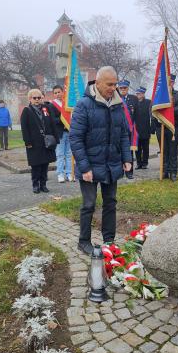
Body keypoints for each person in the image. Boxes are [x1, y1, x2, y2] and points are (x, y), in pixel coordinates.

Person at [69, 66, 131, 255]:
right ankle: (84, 241)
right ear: (97, 83)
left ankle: (109, 240)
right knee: (88, 204)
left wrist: (127, 158)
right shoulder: (83, 105)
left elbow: (123, 135)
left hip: (111, 164)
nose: (113, 88)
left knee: (110, 202)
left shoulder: (118, 104)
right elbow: (76, 138)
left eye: (115, 84)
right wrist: (85, 167)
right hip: (90, 166)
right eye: (109, 84)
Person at [20, 89, 59, 194]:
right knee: (36, 165)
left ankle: (43, 184)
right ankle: (35, 185)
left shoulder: (46, 108)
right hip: (34, 143)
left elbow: (52, 124)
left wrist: (56, 139)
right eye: (34, 98)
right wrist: (27, 142)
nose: (37, 100)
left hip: (46, 143)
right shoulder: (26, 111)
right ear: (30, 99)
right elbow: (24, 128)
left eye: (39, 97)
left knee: (45, 165)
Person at [152, 74, 178, 181]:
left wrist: (167, 114)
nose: (168, 84)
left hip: (172, 127)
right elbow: (152, 109)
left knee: (172, 150)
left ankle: (173, 172)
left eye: (170, 82)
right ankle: (165, 171)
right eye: (167, 82)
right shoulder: (158, 96)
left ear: (173, 82)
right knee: (164, 150)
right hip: (160, 127)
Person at [50, 85, 72, 183]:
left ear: (63, 92)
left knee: (68, 154)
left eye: (59, 92)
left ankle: (69, 173)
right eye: (55, 93)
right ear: (53, 94)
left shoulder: (67, 104)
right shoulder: (52, 105)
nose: (58, 94)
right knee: (60, 154)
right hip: (59, 133)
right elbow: (52, 120)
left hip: (69, 131)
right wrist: (63, 118)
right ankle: (60, 174)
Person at [117, 79, 139, 179]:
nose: (123, 89)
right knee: (118, 151)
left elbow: (137, 115)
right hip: (118, 129)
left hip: (130, 130)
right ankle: (119, 171)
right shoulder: (115, 98)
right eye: (121, 88)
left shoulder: (134, 99)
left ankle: (129, 172)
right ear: (118, 88)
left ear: (128, 88)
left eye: (124, 88)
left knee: (129, 151)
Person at [135, 86, 152, 169]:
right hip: (136, 129)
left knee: (145, 148)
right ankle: (138, 163)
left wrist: (152, 128)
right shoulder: (134, 103)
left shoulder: (149, 103)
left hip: (145, 129)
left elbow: (152, 116)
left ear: (143, 94)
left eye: (139, 93)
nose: (138, 95)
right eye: (137, 93)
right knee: (137, 148)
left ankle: (145, 163)